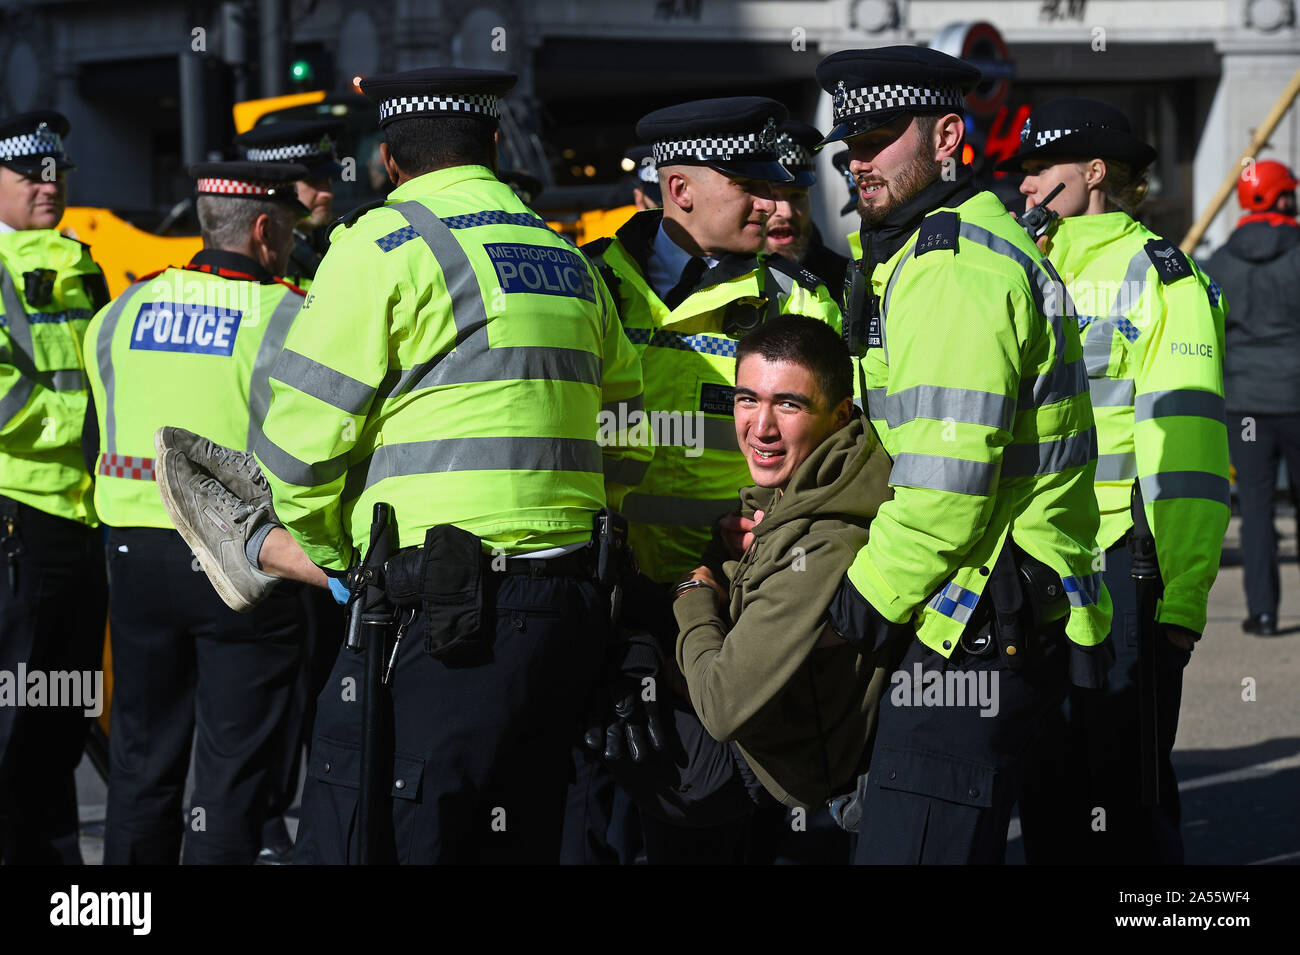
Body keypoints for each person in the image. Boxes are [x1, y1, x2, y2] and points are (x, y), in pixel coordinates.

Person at [155, 67, 650, 864]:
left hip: (443, 613)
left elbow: (297, 456)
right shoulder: (565, 258)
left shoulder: (380, 247)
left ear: (388, 160)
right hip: (570, 608)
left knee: (383, 831)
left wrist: (322, 554)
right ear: (492, 145)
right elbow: (625, 417)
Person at [814, 47, 1113, 865]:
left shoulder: (953, 265)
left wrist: (857, 605)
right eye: (849, 146)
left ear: (948, 134)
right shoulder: (930, 249)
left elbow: (945, 486)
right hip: (990, 608)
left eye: (878, 138)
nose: (858, 161)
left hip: (967, 615)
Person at [575, 97, 843, 864]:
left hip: (729, 607)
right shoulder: (587, 285)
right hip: (598, 602)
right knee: (578, 824)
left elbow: (840, 456)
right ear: (681, 188)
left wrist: (780, 522)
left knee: (719, 822)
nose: (773, 200)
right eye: (748, 184)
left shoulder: (800, 302)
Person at [1003, 98, 1230, 866]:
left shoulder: (1163, 278)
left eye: (1040, 169)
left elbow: (1191, 449)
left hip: (1118, 570)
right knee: (1043, 786)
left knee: (1123, 803)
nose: (1026, 185)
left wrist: (1184, 599)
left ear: (1094, 173)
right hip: (1027, 568)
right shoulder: (1016, 262)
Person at [81, 161, 310, 864]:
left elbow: (98, 432)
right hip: (238, 558)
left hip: (134, 554)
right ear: (265, 229)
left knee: (141, 762)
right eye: (293, 230)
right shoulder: (287, 315)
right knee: (232, 771)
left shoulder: (120, 310)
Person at [668, 316, 891, 812]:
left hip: (782, 776)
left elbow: (722, 708)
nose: (760, 427)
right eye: (748, 399)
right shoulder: (803, 487)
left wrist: (692, 596)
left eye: (789, 404)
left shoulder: (823, 542)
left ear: (839, 416)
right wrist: (732, 556)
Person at [0, 110, 109, 864]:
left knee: (65, 708)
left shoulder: (81, 260)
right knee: (13, 708)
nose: (47, 184)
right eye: (28, 173)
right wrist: (90, 429)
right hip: (19, 518)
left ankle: (58, 863)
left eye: (54, 171)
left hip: (82, 514)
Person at [1206, 159, 1300, 637]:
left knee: (1257, 511)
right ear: (1283, 197)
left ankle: (1263, 614)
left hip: (1244, 403)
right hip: (1295, 396)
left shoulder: (1220, 261)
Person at [234, 120, 344, 285]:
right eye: (313, 182)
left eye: (328, 181)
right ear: (275, 185)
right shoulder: (262, 256)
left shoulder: (328, 239)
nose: (327, 193)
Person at [767, 121, 850, 303]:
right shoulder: (713, 275)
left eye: (797, 196)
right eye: (772, 196)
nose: (787, 212)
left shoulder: (845, 278)